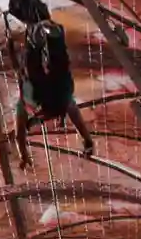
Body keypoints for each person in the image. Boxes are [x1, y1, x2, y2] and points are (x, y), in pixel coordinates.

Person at [8, 18, 94, 169]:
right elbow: (19, 134)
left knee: (58, 66)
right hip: (45, 98)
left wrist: (87, 138)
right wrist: (23, 154)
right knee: (34, 67)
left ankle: (53, 37)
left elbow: (75, 116)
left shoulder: (27, 106)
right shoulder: (23, 106)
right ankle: (40, 40)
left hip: (56, 97)